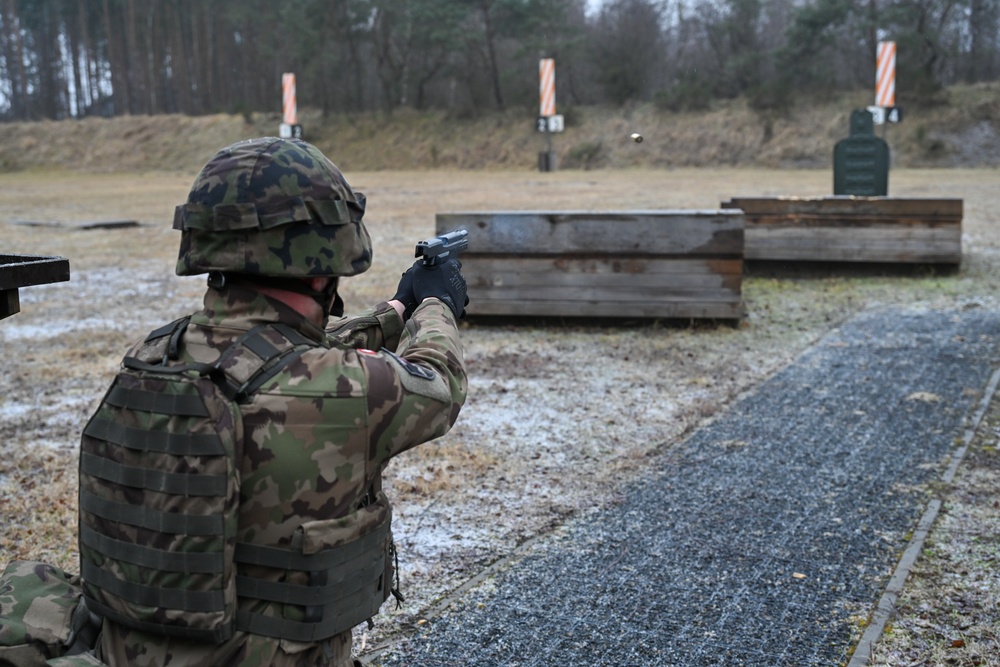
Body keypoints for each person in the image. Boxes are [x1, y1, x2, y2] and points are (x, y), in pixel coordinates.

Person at [76, 137, 468, 667]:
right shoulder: (342, 388)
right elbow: (437, 383)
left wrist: (397, 308)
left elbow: (280, 360)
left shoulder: (153, 355)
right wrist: (439, 306)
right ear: (320, 258)